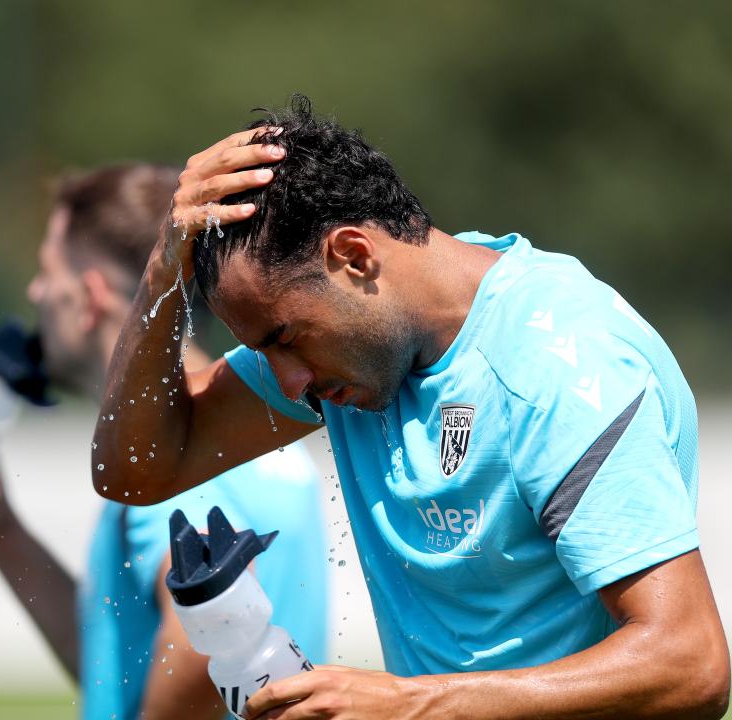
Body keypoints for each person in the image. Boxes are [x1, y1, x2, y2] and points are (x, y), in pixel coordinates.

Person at [91, 97, 731, 719]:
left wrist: (413, 703)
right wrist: (161, 272)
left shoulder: (556, 368)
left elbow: (690, 665)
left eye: (283, 339)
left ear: (354, 255)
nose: (287, 383)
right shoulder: (362, 344)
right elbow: (134, 469)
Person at [0, 164, 328, 720]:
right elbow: (126, 672)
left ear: (90, 296)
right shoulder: (253, 431)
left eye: (47, 270)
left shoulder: (162, 454)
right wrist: (5, 538)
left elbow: (203, 648)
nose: (36, 291)